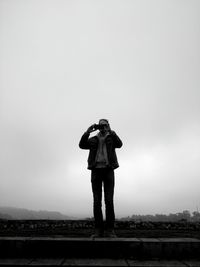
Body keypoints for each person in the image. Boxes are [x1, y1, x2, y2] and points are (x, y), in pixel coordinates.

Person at [79, 119, 123, 238]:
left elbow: (120, 144)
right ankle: (98, 230)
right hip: (96, 170)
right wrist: (87, 132)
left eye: (105, 125)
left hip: (108, 170)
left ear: (108, 126)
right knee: (97, 202)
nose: (102, 127)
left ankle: (110, 230)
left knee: (109, 201)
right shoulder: (93, 139)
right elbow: (81, 145)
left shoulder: (111, 138)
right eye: (101, 125)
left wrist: (111, 132)